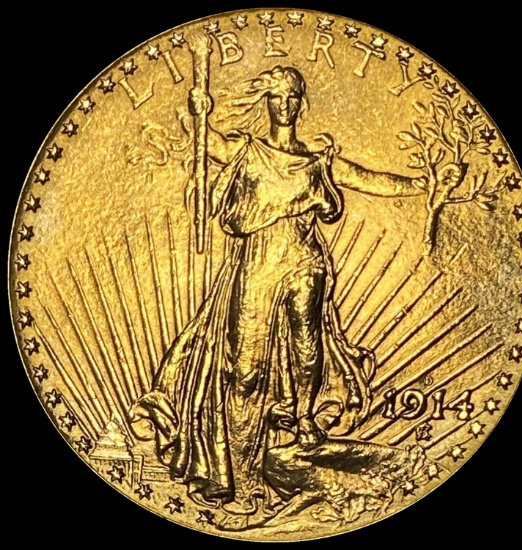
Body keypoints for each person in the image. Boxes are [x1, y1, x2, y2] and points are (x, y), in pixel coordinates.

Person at [130, 66, 423, 514]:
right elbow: (211, 143)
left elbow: (370, 179)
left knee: (307, 350)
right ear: (267, 103)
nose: (284, 105)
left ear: (301, 104)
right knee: (244, 370)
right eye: (276, 97)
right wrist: (197, 111)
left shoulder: (318, 161)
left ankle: (304, 420)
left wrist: (423, 186)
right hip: (258, 266)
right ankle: (237, 476)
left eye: (291, 97)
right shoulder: (248, 150)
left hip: (305, 263)